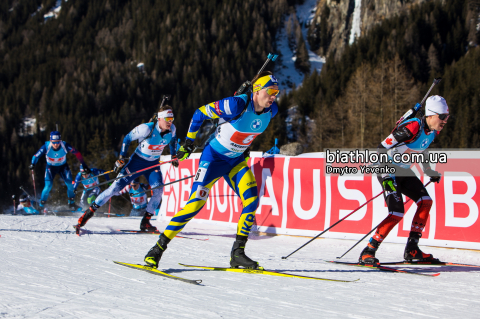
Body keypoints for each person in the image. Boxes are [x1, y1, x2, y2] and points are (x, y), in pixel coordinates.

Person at [144, 71, 279, 270]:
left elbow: (249, 128)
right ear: (257, 90)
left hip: (236, 161)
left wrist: (245, 147)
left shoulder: (272, 110)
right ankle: (156, 250)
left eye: (277, 92)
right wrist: (189, 142)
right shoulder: (236, 104)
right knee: (195, 205)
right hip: (213, 159)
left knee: (251, 201)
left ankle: (238, 254)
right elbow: (199, 113)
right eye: (271, 91)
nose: (274, 96)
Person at [359, 95, 449, 265]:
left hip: (404, 171)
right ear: (430, 114)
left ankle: (412, 249)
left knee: (425, 201)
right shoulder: (413, 126)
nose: (445, 120)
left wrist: (429, 170)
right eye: (442, 116)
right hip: (387, 169)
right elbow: (381, 147)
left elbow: (423, 148)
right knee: (397, 212)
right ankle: (368, 251)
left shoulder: (433, 131)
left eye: (447, 117)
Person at [75, 105, 178, 232]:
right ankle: (87, 215)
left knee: (158, 190)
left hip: (153, 164)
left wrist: (174, 155)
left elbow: (173, 141)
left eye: (172, 118)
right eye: (168, 118)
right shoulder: (146, 128)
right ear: (160, 118)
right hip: (137, 162)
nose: (170, 121)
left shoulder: (172, 129)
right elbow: (127, 138)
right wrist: (121, 158)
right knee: (114, 188)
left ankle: (145, 222)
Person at [30, 131, 89, 210]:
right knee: (48, 186)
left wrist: (83, 164)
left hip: (63, 167)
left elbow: (77, 153)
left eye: (58, 142)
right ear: (51, 141)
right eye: (54, 142)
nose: (56, 144)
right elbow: (36, 156)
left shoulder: (65, 145)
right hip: (51, 168)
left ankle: (71, 204)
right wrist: (33, 164)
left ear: (60, 141)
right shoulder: (46, 147)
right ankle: (41, 206)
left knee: (69, 184)